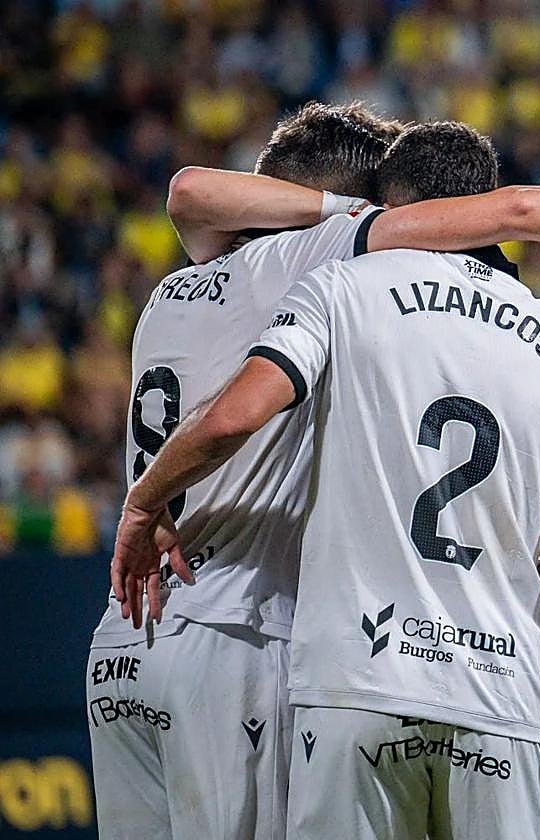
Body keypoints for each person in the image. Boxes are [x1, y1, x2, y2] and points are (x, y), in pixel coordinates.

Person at [109, 120, 540, 840]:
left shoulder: (191, 291)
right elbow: (520, 213)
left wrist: (142, 498)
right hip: (446, 677)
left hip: (163, 637)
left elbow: (190, 196)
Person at [86, 100, 393, 840]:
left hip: (125, 640)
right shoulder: (297, 260)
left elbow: (193, 199)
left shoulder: (174, 287)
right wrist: (355, 214)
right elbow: (190, 187)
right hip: (232, 633)